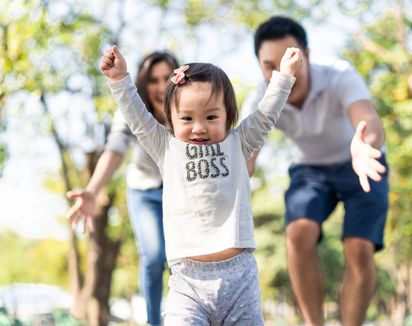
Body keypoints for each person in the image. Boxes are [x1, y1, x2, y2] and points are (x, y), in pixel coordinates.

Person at [73, 45, 301, 325]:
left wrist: (284, 78)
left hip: (240, 278)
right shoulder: (165, 147)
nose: (199, 127)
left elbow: (265, 114)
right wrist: (119, 79)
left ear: (229, 116)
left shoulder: (239, 143)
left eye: (211, 117)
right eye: (187, 118)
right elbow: (137, 119)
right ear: (171, 118)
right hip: (188, 282)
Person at [242, 16, 389, 326]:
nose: (282, 73)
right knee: (297, 232)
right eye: (270, 66)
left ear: (306, 55)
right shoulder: (261, 97)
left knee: (358, 248)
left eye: (290, 61)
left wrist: (365, 145)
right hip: (311, 169)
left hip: (360, 161)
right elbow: (244, 157)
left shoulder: (338, 74)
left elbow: (368, 119)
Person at [66, 51, 179, 326]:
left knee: (181, 258)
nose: (160, 86)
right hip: (144, 191)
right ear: (143, 82)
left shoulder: (187, 106)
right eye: (153, 79)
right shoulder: (132, 106)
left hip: (180, 192)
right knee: (153, 256)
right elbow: (115, 148)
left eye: (167, 78)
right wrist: (92, 190)